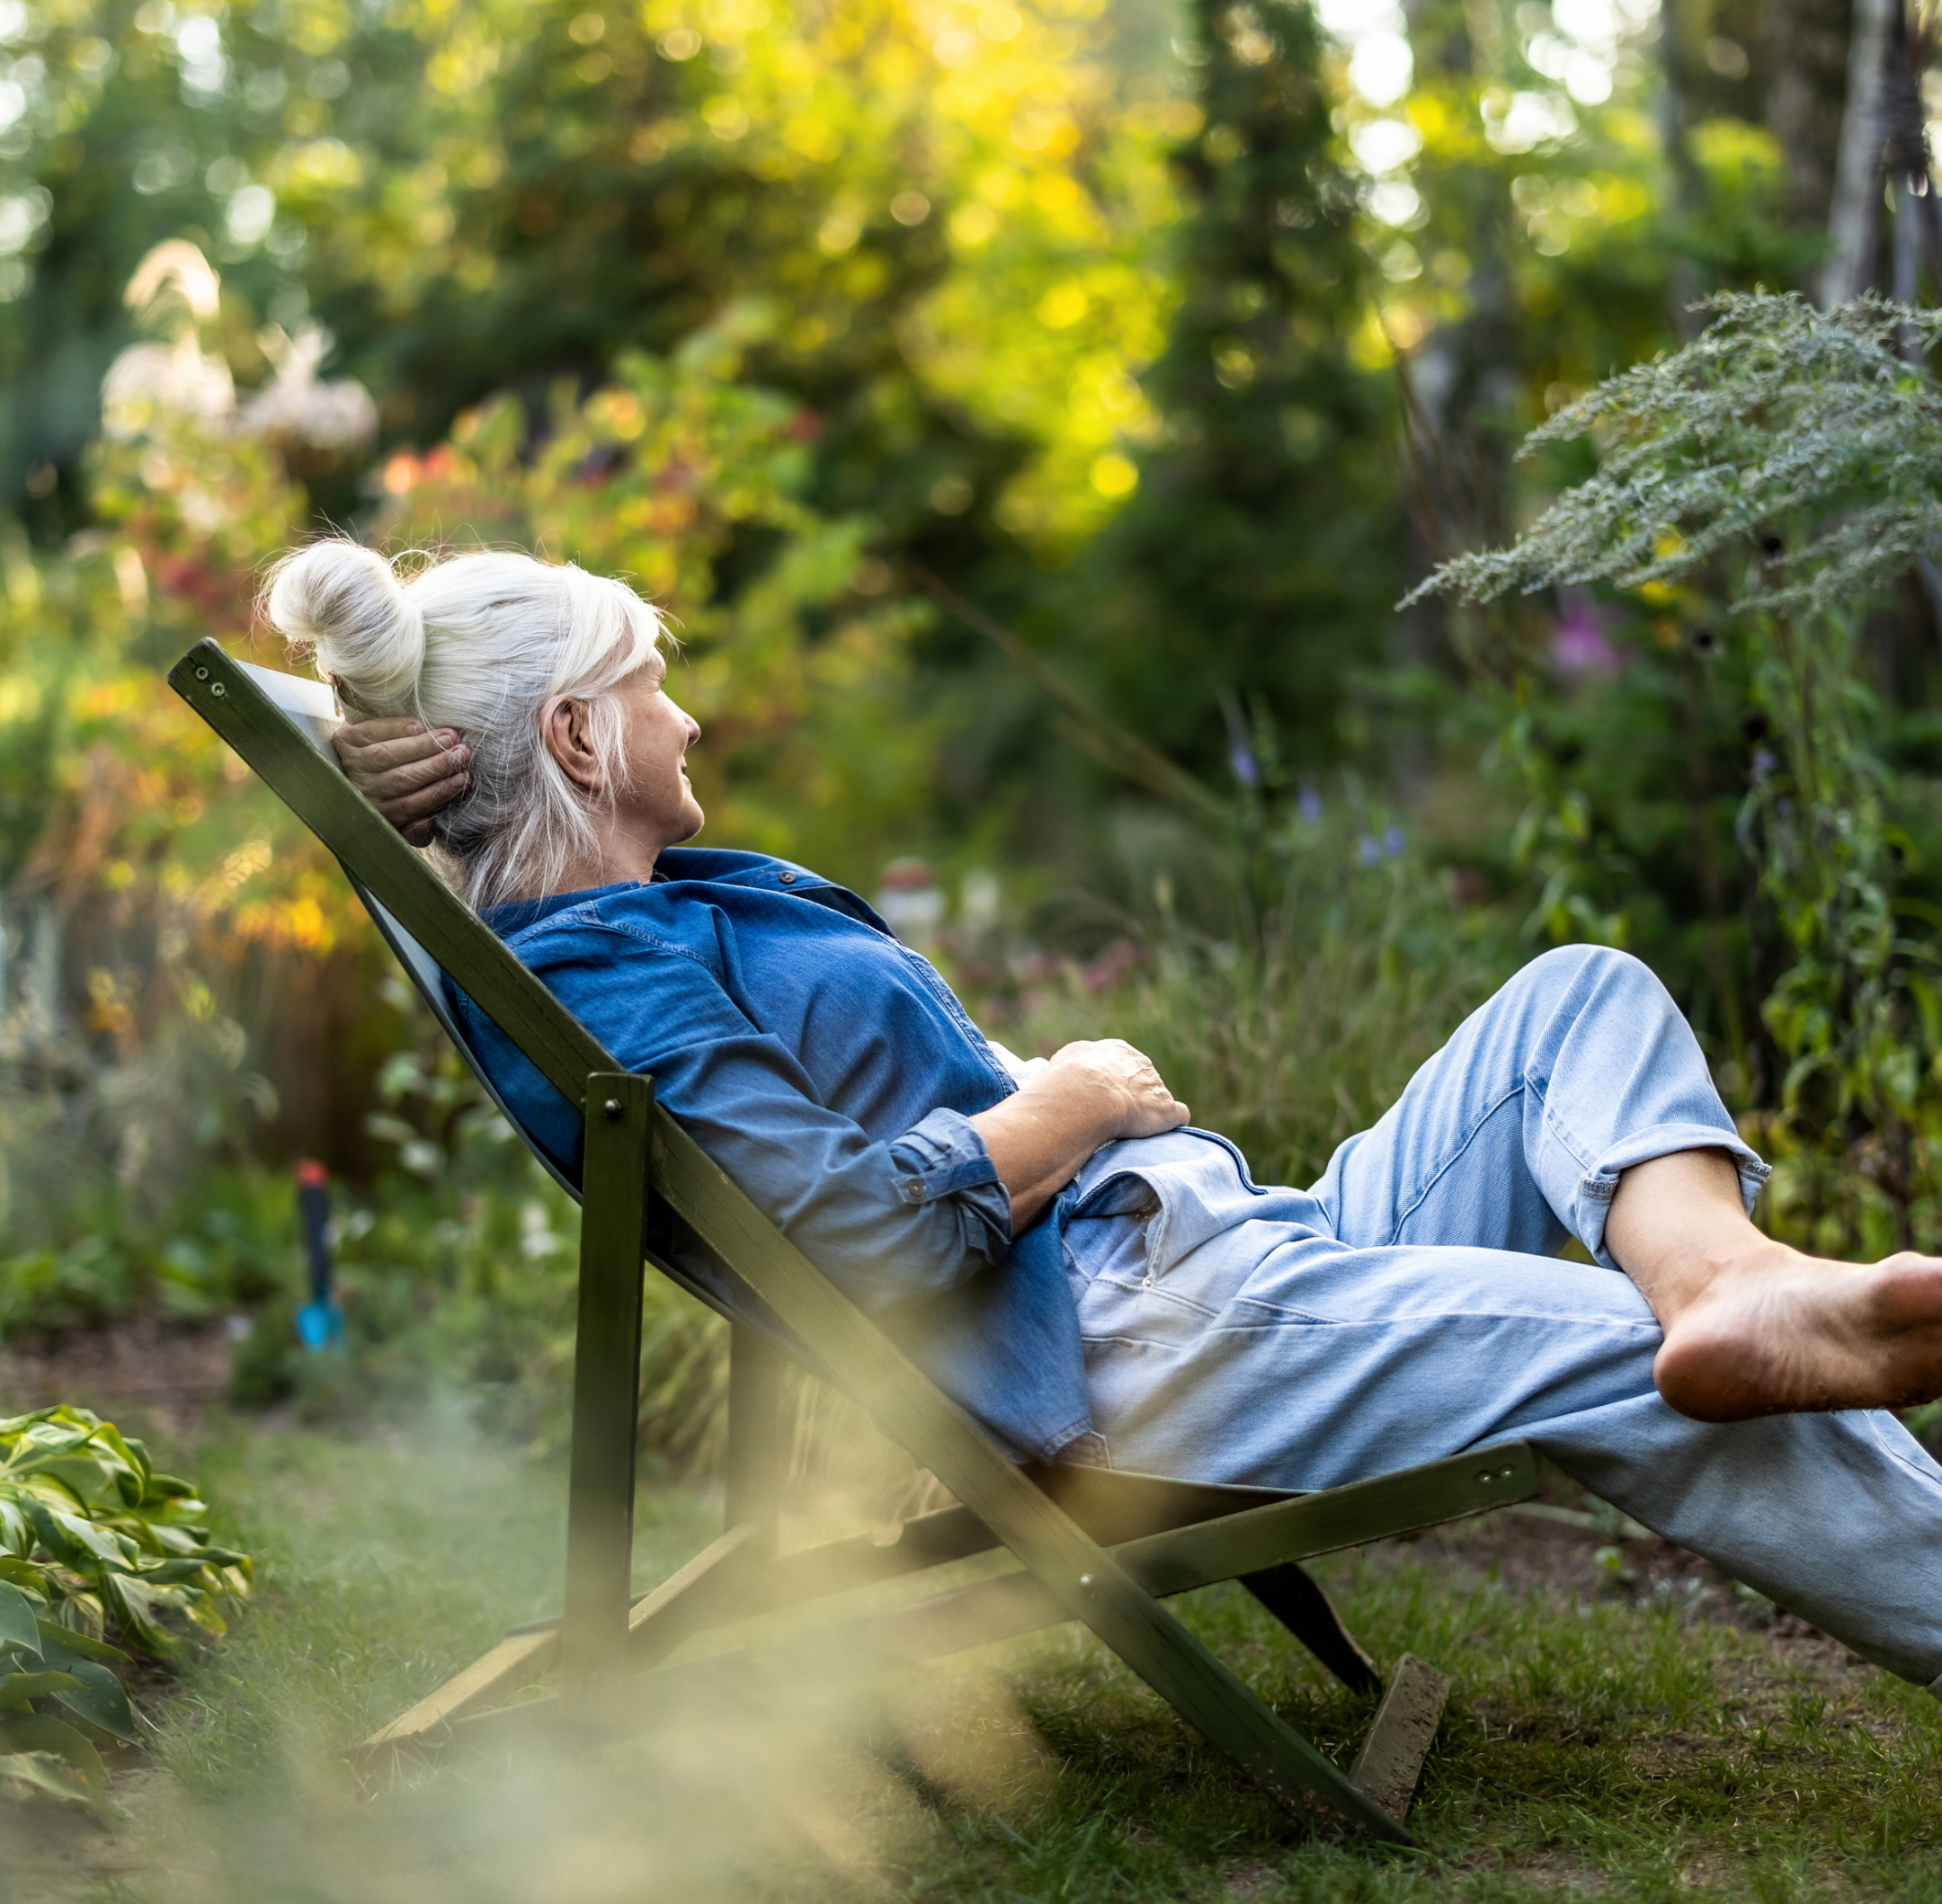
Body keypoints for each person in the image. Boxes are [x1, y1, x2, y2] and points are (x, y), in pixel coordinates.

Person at [266, 538, 1942, 1691]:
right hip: (1145, 1334)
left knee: (1572, 995)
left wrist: (355, 744)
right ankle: (1710, 1334)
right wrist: (1066, 1104)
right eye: (646, 687)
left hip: (1226, 1249)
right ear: (570, 733)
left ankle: (1722, 1280)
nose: (684, 714)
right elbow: (847, 1238)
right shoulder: (614, 980)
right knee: (1603, 1344)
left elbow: (282, 699)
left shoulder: (648, 911)